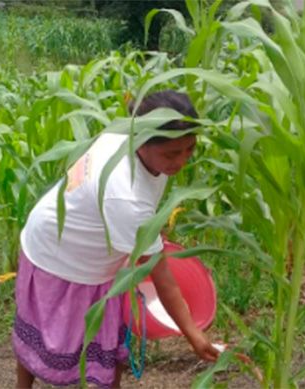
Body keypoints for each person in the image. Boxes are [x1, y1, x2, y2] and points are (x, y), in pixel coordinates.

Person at [12, 90, 220, 389]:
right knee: (41, 338)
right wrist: (193, 334)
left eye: (190, 148)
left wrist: (147, 233)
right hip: (57, 253)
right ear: (142, 141)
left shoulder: (125, 136)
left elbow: (140, 217)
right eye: (172, 154)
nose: (182, 161)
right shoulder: (125, 193)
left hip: (86, 243)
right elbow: (162, 277)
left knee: (109, 349)